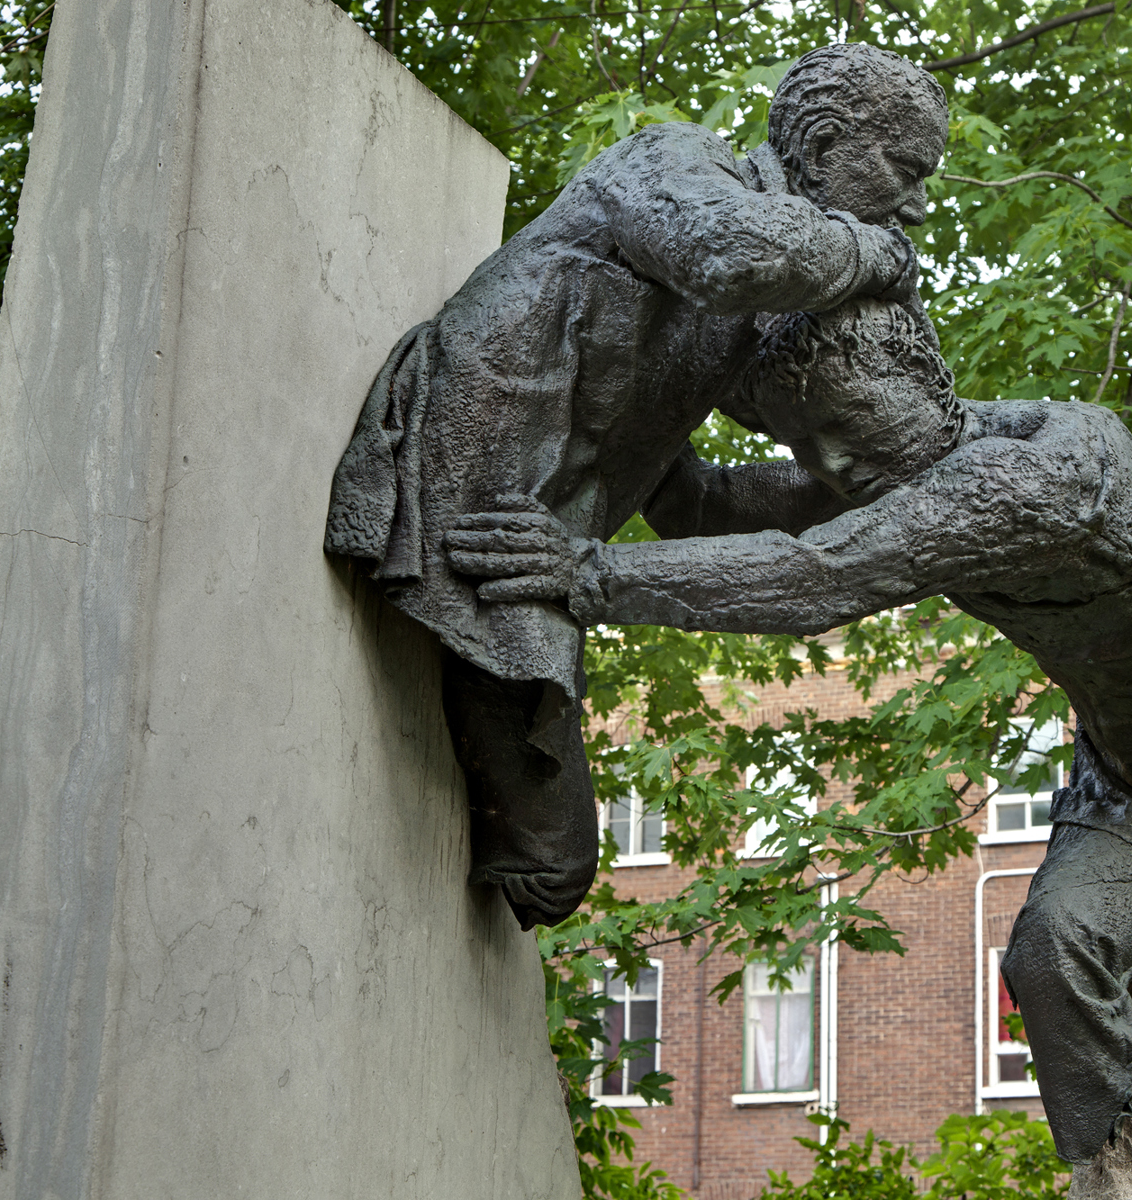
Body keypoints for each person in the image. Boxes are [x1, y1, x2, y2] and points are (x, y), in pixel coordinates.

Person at [449, 297, 1132, 1163]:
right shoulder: (906, 468)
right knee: (1048, 958)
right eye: (811, 445)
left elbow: (817, 576)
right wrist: (641, 387)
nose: (836, 462)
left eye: (844, 426)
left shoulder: (1040, 472)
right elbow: (707, 509)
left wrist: (586, 574)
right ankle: (1117, 1162)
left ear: (917, 379)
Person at [325, 45, 949, 930]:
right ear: (821, 140)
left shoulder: (741, 319)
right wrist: (873, 254)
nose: (916, 206)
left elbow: (696, 504)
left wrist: (851, 488)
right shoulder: (672, 161)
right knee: (552, 865)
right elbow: (726, 251)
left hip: (527, 544)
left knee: (553, 872)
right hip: (465, 489)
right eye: (906, 169)